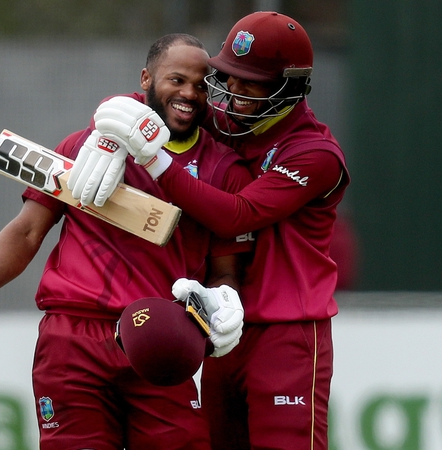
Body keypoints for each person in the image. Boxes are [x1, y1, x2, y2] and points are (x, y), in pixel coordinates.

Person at [0, 33, 254, 450]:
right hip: (73, 337)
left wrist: (223, 301)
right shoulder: (85, 147)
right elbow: (30, 228)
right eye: (177, 80)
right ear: (146, 78)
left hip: (161, 337)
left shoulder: (223, 167)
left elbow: (225, 269)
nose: (189, 94)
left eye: (200, 84)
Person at [79, 11, 350, 450]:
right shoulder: (227, 121)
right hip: (218, 325)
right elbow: (149, 97)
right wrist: (108, 133)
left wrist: (153, 159)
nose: (234, 92)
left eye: (251, 82)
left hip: (288, 333)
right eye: (229, 77)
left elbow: (236, 216)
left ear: (290, 88)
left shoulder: (315, 153)